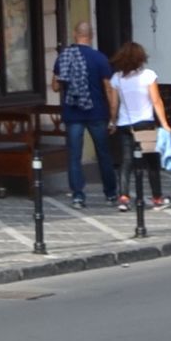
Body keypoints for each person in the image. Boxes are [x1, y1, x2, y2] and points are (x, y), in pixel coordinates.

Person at [56, 21, 117, 207]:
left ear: (75, 34)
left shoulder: (64, 57)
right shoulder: (100, 58)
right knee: (103, 154)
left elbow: (55, 85)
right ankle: (111, 193)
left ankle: (78, 195)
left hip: (73, 113)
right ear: (91, 35)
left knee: (74, 155)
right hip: (97, 112)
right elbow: (108, 88)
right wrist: (113, 117)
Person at [108, 39, 168, 212]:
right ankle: (157, 197)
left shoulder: (117, 78)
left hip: (125, 124)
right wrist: (164, 123)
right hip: (145, 124)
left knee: (126, 161)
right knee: (151, 162)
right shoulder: (148, 75)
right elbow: (156, 101)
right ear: (141, 57)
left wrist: (112, 121)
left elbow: (114, 105)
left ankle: (124, 197)